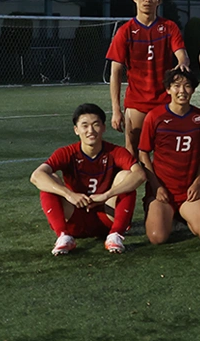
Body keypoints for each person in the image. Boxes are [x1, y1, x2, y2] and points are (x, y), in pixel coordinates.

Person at [29, 103, 146, 255]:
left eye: (95, 125)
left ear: (103, 128)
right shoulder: (67, 152)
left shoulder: (115, 151)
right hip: (75, 216)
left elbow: (140, 175)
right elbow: (36, 176)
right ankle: (63, 236)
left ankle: (116, 235)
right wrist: (69, 194)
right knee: (48, 180)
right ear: (76, 130)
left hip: (106, 216)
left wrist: (106, 195)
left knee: (127, 178)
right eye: (85, 126)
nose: (90, 131)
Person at [106, 0, 190, 155]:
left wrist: (182, 63)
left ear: (159, 0)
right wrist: (116, 110)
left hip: (165, 101)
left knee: (167, 153)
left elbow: (182, 54)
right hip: (137, 103)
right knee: (132, 154)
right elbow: (115, 72)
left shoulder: (169, 27)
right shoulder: (125, 31)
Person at [138, 69, 200, 245]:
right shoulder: (155, 116)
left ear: (193, 90)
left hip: (188, 191)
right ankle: (158, 211)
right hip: (162, 190)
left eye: (187, 86)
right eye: (176, 86)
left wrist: (197, 183)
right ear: (168, 89)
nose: (182, 91)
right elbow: (143, 153)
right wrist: (156, 186)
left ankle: (180, 215)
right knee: (158, 238)